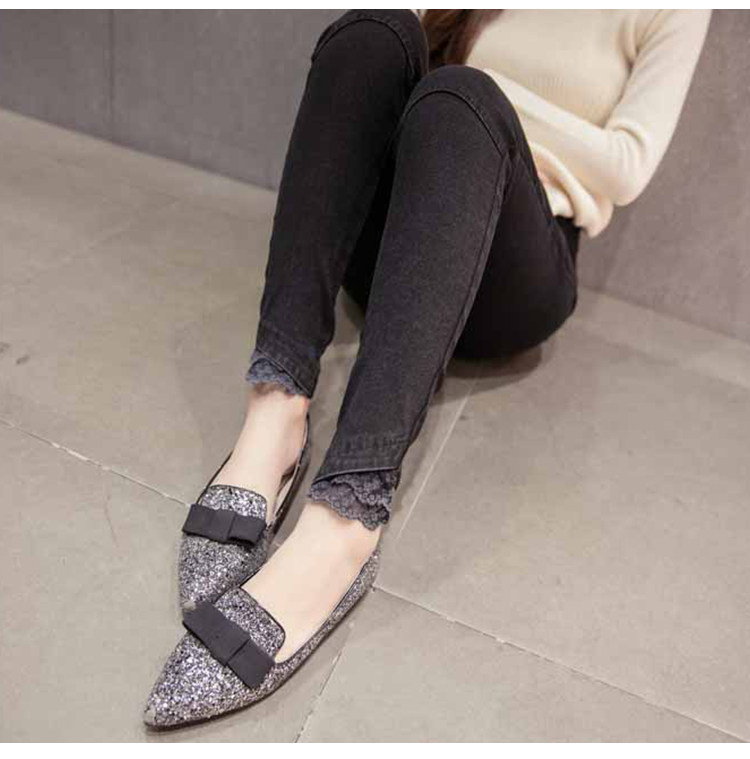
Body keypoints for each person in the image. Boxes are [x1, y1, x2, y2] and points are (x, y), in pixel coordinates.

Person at [144, 9, 711, 727]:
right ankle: (275, 409)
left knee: (464, 100)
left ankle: (345, 519)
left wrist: (483, 90)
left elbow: (626, 165)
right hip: (394, 237)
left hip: (516, 265)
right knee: (374, 34)